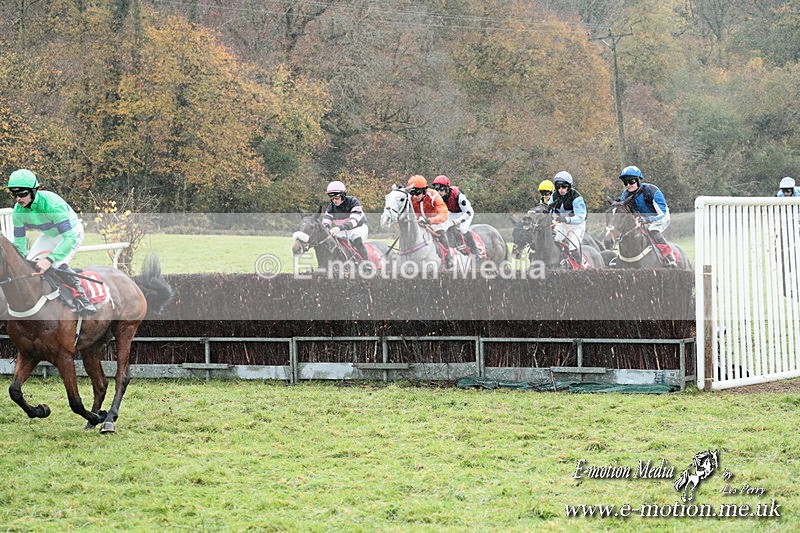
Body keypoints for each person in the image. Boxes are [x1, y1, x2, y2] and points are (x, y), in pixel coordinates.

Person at [7, 168, 97, 314]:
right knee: (29, 265)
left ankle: (82, 297)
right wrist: (20, 260)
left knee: (56, 265)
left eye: (22, 193)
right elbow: (20, 243)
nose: (18, 198)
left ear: (34, 191)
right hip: (49, 235)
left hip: (72, 233)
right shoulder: (18, 212)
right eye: (14, 194)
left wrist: (49, 259)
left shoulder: (52, 204)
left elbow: (70, 238)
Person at [618, 165, 678, 268]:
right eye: (625, 182)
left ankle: (669, 256)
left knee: (652, 229)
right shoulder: (625, 195)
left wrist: (648, 219)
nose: (628, 185)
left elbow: (663, 214)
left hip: (659, 218)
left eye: (631, 181)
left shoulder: (652, 190)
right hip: (641, 220)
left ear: (638, 180)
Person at [407, 174, 455, 268]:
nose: (414, 196)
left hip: (437, 221)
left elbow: (444, 214)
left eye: (417, 193)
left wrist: (429, 221)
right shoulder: (411, 198)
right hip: (420, 221)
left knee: (440, 232)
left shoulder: (433, 195)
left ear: (424, 191)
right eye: (412, 193)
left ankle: (448, 256)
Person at [321, 180, 370, 265]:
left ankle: (366, 262)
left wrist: (339, 228)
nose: (334, 201)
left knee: (355, 237)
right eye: (332, 198)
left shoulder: (353, 202)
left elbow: (353, 222)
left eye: (336, 198)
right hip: (342, 229)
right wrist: (325, 228)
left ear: (343, 196)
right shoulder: (331, 207)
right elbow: (326, 221)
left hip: (358, 227)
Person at [547, 171, 587, 267]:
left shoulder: (576, 197)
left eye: (564, 186)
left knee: (573, 247)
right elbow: (549, 210)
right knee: (554, 241)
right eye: (558, 187)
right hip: (562, 224)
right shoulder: (554, 196)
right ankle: (562, 261)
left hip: (577, 226)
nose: (561, 190)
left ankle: (580, 266)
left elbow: (581, 217)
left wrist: (566, 219)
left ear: (569, 186)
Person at [431, 174, 478, 255]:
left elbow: (468, 213)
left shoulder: (458, 195)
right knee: (444, 228)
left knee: (463, 229)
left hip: (465, 212)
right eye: (437, 190)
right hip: (452, 212)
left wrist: (454, 222)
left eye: (441, 190)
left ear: (446, 188)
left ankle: (475, 251)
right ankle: (456, 247)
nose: (439, 193)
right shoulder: (436, 197)